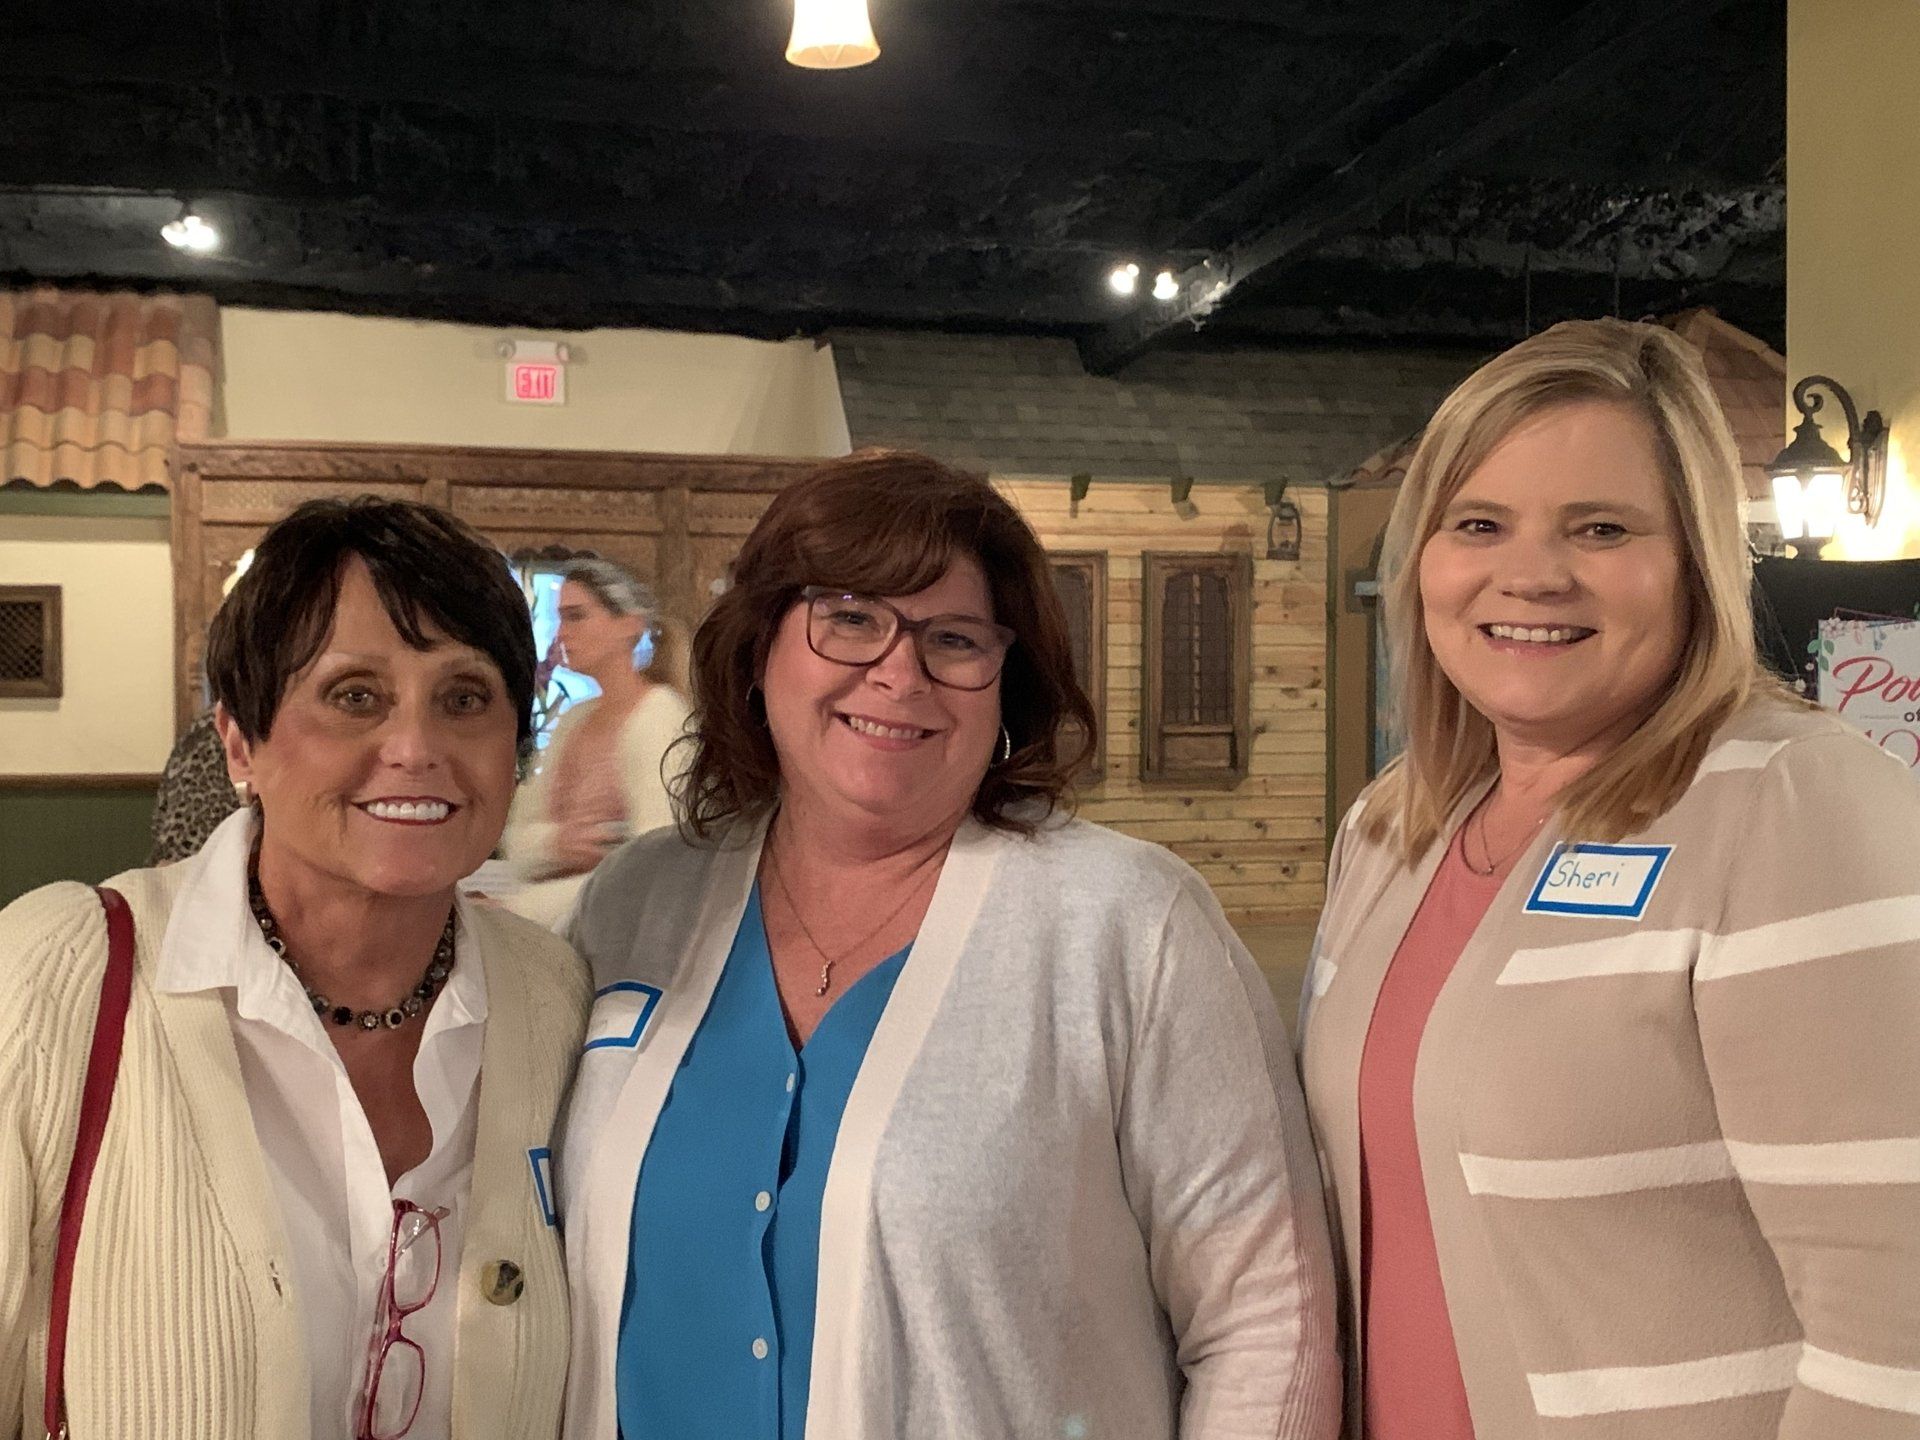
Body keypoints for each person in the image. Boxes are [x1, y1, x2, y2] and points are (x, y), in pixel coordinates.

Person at [556, 450, 1340, 1440]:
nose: (899, 673)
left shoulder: (1126, 925)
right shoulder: (637, 905)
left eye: (955, 639)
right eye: (850, 619)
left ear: (1006, 683)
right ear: (759, 650)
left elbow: (1267, 1323)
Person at [1298, 318, 1920, 1439]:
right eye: (1478, 524)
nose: (1532, 575)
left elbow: (1897, 1341)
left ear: (1695, 562)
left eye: (1601, 528)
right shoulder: (1392, 831)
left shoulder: (1794, 807)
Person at [0, 496, 590, 1440]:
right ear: (240, 740)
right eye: (354, 696)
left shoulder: (554, 999)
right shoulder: (59, 977)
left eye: (464, 698)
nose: (416, 748)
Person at [503, 559, 692, 929]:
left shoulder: (659, 715)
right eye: (560, 619)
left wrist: (517, 911)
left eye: (576, 617)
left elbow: (656, 868)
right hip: (558, 918)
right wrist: (557, 843)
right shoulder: (575, 719)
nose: (561, 634)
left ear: (629, 624)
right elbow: (518, 840)